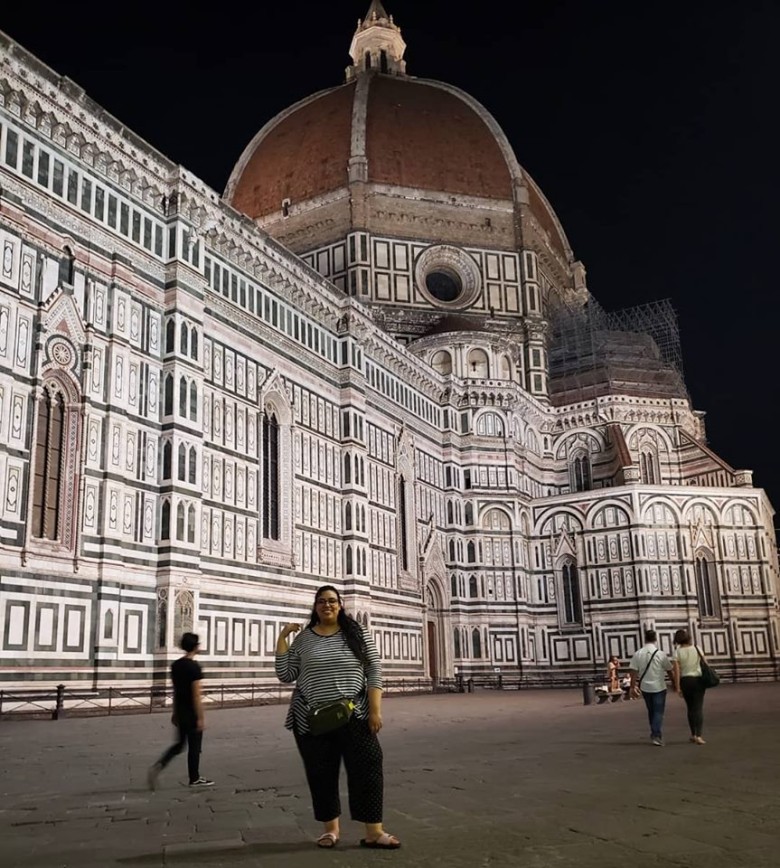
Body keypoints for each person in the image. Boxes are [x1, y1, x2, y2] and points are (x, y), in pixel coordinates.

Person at [275, 585, 400, 850]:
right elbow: (286, 674)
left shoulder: (356, 633)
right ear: (315, 607)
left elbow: (374, 670)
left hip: (355, 713)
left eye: (332, 601)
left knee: (368, 767)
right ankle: (331, 830)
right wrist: (283, 638)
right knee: (321, 773)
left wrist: (375, 711)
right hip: (312, 718)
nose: (327, 605)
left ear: (340, 605)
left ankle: (374, 832)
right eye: (321, 601)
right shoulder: (305, 639)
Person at [147, 632, 214, 789]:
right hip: (192, 712)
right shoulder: (194, 667)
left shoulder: (175, 666)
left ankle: (159, 765)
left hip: (181, 711)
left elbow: (176, 690)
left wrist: (175, 712)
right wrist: (201, 717)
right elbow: (196, 695)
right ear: (196, 647)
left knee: (179, 744)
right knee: (194, 748)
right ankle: (194, 778)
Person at [628, 629, 673, 746]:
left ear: (645, 638)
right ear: (655, 639)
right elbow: (669, 670)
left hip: (645, 687)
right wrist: (675, 683)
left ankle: (654, 732)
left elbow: (633, 672)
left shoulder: (638, 653)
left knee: (651, 711)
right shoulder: (660, 653)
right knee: (658, 712)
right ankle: (656, 735)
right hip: (659, 687)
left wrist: (632, 687)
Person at [672, 628, 707, 745]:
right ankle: (699, 735)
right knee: (698, 708)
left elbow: (676, 671)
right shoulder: (697, 648)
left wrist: (677, 687)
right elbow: (706, 664)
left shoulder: (677, 652)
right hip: (698, 680)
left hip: (685, 681)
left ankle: (693, 734)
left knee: (690, 708)